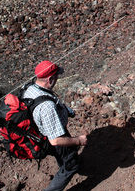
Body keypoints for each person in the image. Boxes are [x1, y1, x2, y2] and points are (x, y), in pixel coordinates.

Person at [23, 61, 87, 191]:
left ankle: (65, 162)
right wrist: (79, 140)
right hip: (53, 137)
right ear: (50, 79)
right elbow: (56, 140)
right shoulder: (47, 107)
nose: (57, 79)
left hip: (40, 131)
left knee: (67, 156)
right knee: (71, 165)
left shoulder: (30, 88)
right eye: (56, 77)